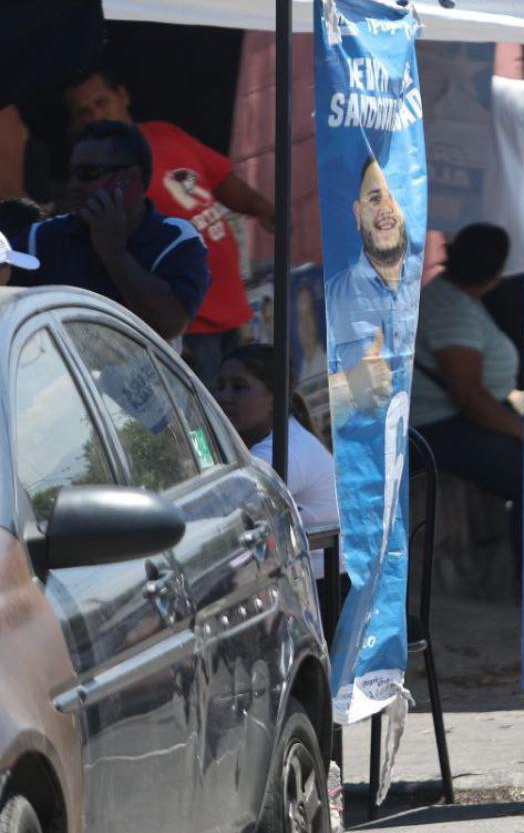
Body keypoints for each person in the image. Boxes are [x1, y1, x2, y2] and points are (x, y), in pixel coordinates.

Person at [64, 68, 275, 388]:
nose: (96, 114)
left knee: (250, 416)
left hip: (236, 312)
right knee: (208, 429)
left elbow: (221, 180)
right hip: (189, 330)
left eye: (101, 102)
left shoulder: (163, 134)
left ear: (123, 96)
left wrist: (263, 208)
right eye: (84, 112)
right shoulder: (92, 178)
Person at [2, 120, 209, 342]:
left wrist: (114, 253)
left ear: (129, 179)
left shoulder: (174, 239)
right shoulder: (43, 237)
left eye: (88, 173)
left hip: (137, 376)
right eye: (71, 174)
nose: (73, 186)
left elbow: (168, 325)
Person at [412, 223, 523, 580]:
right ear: (496, 273)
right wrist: (522, 433)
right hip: (437, 425)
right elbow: (468, 396)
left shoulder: (457, 298)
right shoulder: (450, 309)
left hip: (458, 416)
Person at [214, 343, 341, 589]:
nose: (224, 397)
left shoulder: (281, 451)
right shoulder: (282, 437)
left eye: (239, 388)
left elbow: (225, 510)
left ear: (274, 398)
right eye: (220, 386)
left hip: (324, 592)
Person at [324, 156, 419, 419]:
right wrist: (350, 388)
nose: (386, 208)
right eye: (375, 199)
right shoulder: (331, 297)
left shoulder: (421, 287)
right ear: (358, 213)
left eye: (396, 196)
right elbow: (300, 398)